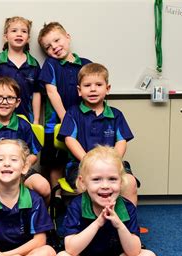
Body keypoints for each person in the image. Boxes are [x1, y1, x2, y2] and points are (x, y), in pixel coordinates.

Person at [55, 145, 158, 256]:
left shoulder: (127, 207)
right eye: (96, 179)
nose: (105, 185)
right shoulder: (77, 205)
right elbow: (71, 250)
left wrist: (119, 225)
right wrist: (98, 223)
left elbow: (134, 252)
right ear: (83, 182)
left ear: (121, 181)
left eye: (112, 179)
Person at [58, 63, 139, 205]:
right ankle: (89, 223)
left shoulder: (116, 115)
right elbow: (70, 139)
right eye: (87, 85)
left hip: (112, 163)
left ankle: (127, 224)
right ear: (79, 90)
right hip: (80, 164)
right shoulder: (72, 113)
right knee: (85, 184)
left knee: (130, 182)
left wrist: (112, 161)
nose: (93, 89)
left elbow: (121, 141)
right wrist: (88, 161)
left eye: (98, 85)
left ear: (107, 89)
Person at [0, 76, 49, 201]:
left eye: (10, 98)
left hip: (19, 170)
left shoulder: (24, 125)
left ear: (17, 102)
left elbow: (33, 155)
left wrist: (23, 166)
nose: (4, 102)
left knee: (44, 187)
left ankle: (39, 219)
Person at [37, 22, 92, 201]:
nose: (54, 47)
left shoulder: (85, 65)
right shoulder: (51, 64)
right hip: (55, 126)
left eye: (57, 40)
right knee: (55, 165)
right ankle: (56, 201)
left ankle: (83, 201)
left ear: (68, 37)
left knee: (82, 160)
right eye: (48, 46)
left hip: (82, 124)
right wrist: (65, 120)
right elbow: (52, 92)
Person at [0, 16, 42, 124]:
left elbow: (36, 93)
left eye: (24, 31)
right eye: (14, 31)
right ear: (6, 36)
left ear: (28, 37)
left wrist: (36, 120)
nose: (19, 34)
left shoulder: (34, 64)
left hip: (26, 119)